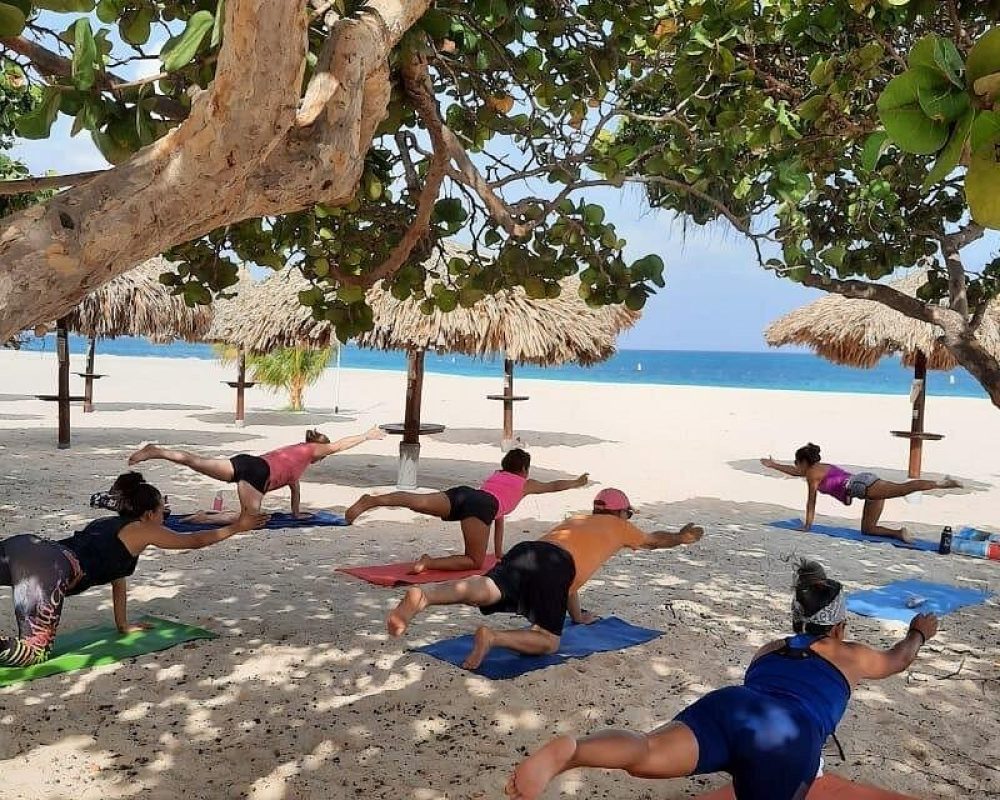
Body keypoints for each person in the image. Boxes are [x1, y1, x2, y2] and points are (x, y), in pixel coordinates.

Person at [506, 559, 939, 800]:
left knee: (646, 750)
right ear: (840, 625)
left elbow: (769, 684)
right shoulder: (851, 654)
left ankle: (574, 750)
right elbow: (899, 659)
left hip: (732, 705)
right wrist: (918, 632)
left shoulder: (769, 648)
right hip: (788, 734)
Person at [386, 488, 703, 669]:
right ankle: (494, 638)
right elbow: (654, 540)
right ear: (622, 514)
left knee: (485, 589)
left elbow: (566, 583)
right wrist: (680, 537)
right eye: (628, 515)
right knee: (549, 642)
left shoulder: (577, 520)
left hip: (530, 551)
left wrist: (577, 616)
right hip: (555, 565)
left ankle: (425, 595)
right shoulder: (620, 527)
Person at [0, 472, 267, 667]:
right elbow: (194, 541)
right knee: (34, 654)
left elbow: (118, 583)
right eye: (163, 511)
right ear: (149, 514)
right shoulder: (145, 530)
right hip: (48, 567)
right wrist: (236, 527)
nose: (166, 517)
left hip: (26, 545)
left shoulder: (109, 526)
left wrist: (123, 625)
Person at [346, 448, 589, 574]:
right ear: (524, 469)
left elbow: (499, 519)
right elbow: (554, 485)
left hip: (464, 494)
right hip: (480, 507)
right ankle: (428, 563)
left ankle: (373, 501)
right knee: (474, 561)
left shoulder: (497, 477)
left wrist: (499, 552)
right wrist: (577, 482)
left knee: (416, 501)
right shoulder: (524, 484)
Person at [128, 427, 385, 524]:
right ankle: (202, 518)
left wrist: (296, 513)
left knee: (196, 462)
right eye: (323, 454)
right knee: (249, 520)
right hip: (258, 474)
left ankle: (156, 451)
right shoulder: (311, 450)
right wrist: (365, 436)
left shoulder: (295, 455)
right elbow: (339, 445)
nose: (323, 457)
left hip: (248, 462)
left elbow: (295, 489)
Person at [761, 442, 961, 541]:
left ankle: (940, 484)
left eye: (797, 463)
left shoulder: (812, 475)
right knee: (868, 529)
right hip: (864, 485)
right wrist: (774, 465)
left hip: (865, 487)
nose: (796, 466)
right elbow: (796, 472)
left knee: (902, 489)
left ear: (804, 462)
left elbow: (811, 501)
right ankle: (900, 533)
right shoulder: (819, 467)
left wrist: (807, 525)